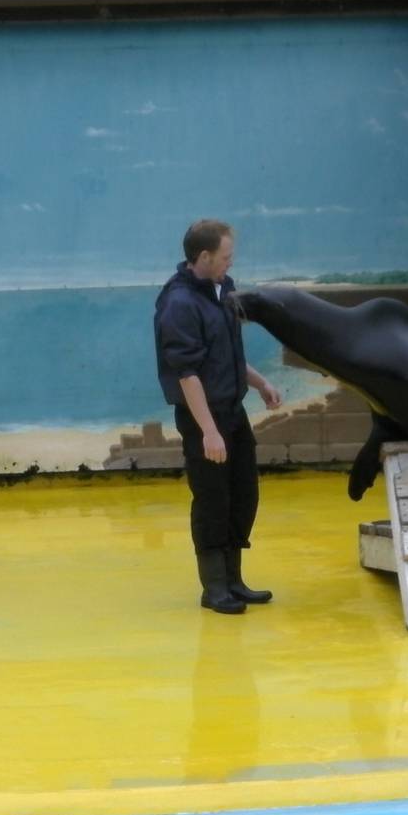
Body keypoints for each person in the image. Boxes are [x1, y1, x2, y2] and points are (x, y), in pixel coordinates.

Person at [153, 219, 282, 614]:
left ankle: (234, 580)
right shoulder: (178, 303)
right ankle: (214, 588)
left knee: (243, 492)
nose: (231, 262)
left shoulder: (223, 289)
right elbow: (187, 373)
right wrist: (209, 432)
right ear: (204, 256)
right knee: (212, 498)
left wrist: (259, 383)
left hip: (232, 409)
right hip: (202, 418)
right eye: (225, 256)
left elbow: (228, 353)